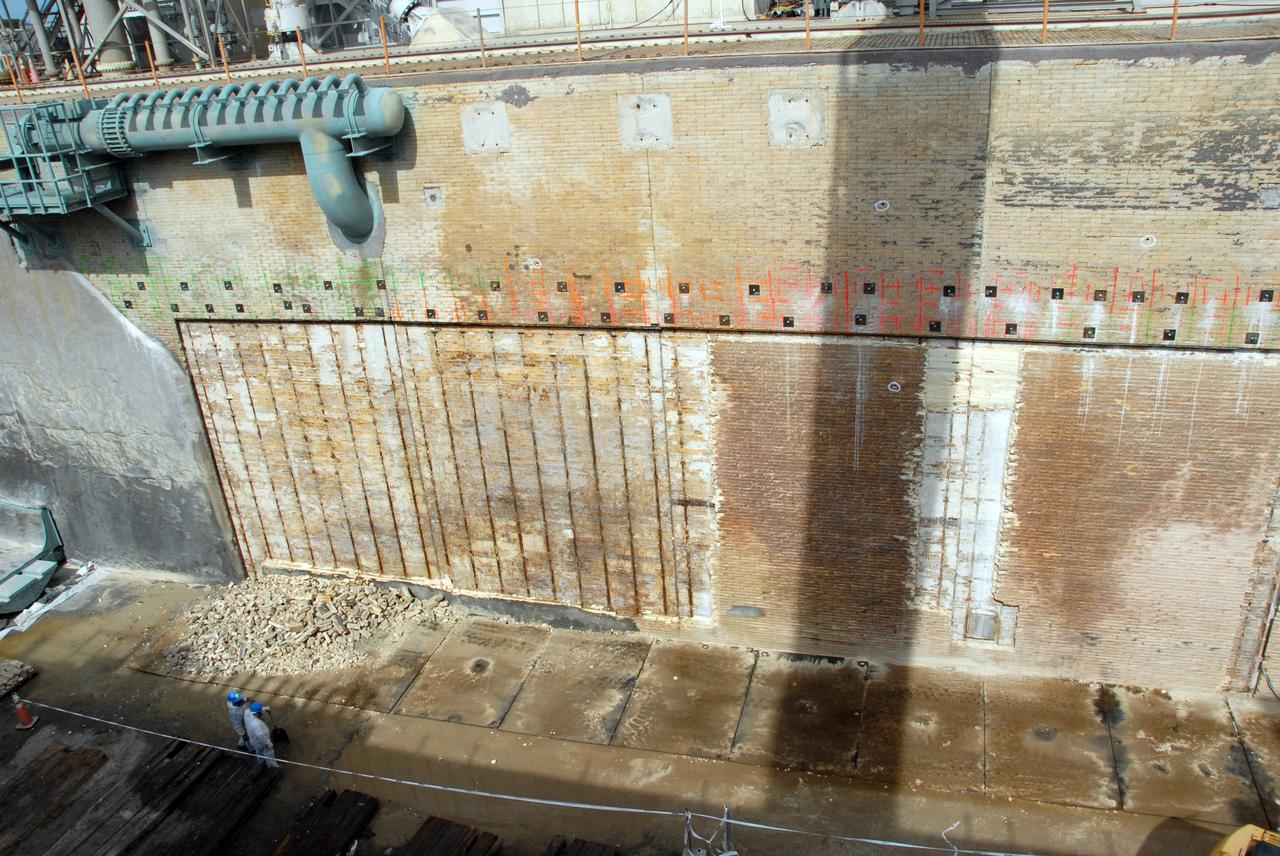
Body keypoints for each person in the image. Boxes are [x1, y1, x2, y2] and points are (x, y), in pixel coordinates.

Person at [245, 701, 278, 769]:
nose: (261, 714)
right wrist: (268, 743)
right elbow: (260, 736)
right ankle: (272, 766)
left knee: (259, 751)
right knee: (269, 752)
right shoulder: (256, 723)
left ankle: (260, 762)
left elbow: (254, 710)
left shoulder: (247, 712)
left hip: (253, 740)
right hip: (260, 741)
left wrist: (265, 708)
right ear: (257, 714)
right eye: (260, 713)